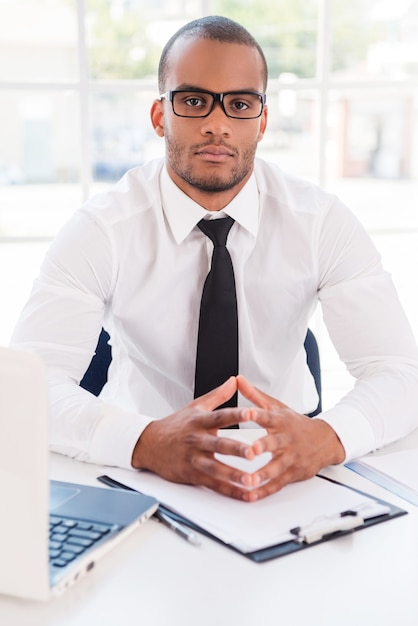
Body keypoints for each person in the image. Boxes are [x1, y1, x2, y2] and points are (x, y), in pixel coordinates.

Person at [11, 15, 418, 502]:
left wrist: (328, 439)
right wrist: (143, 441)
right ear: (161, 114)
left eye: (240, 104)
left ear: (262, 121)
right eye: (194, 100)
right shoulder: (102, 229)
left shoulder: (320, 222)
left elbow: (400, 372)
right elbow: (24, 391)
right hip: (140, 458)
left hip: (286, 459)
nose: (217, 124)